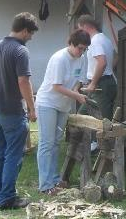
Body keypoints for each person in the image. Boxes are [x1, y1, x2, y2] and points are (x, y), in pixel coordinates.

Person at [0, 12, 38, 210]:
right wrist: (31, 108)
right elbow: (23, 81)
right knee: (13, 155)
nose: (31, 37)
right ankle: (7, 198)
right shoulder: (20, 51)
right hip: (13, 112)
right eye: (31, 33)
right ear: (24, 30)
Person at [35, 29, 91, 194]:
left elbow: (78, 81)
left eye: (84, 49)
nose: (81, 52)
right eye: (79, 48)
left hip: (63, 105)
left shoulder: (81, 59)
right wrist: (76, 96)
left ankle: (54, 180)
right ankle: (45, 185)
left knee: (56, 142)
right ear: (71, 43)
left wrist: (75, 92)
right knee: (46, 142)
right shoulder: (59, 59)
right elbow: (56, 87)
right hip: (48, 103)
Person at [77, 15, 117, 121]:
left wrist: (93, 82)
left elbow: (102, 62)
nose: (80, 33)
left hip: (100, 85)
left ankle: (106, 138)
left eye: (80, 29)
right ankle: (92, 138)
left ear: (85, 26)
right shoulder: (105, 39)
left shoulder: (94, 41)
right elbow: (115, 58)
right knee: (82, 116)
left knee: (103, 121)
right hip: (107, 81)